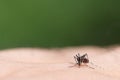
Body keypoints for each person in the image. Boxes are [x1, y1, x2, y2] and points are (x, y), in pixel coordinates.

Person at [0, 46, 120, 80]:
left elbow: (83, 58)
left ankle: (86, 63)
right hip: (84, 60)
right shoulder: (79, 58)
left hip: (86, 61)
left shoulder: (83, 59)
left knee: (80, 57)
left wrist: (83, 63)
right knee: (78, 56)